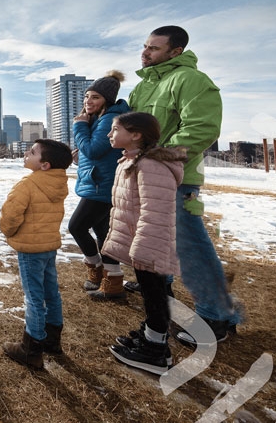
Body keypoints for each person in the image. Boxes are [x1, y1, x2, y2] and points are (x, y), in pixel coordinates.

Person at [125, 25, 242, 345]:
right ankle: (163, 297)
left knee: (189, 246)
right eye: (145, 46)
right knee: (160, 244)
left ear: (175, 52)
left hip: (176, 179)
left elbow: (202, 127)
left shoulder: (191, 80)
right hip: (145, 177)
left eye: (154, 49)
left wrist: (159, 156)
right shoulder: (142, 88)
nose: (145, 52)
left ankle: (217, 316)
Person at [100, 112, 187, 374]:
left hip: (149, 242)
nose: (109, 134)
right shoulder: (133, 161)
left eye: (115, 129)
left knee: (155, 293)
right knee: (152, 292)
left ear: (136, 134)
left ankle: (156, 350)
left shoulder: (150, 166)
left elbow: (155, 212)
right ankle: (151, 333)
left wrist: (144, 247)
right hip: (143, 240)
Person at [0, 139, 72, 369]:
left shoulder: (27, 185)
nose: (25, 153)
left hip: (31, 249)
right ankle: (53, 340)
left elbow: (11, 216)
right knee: (51, 293)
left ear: (45, 165)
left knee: (33, 297)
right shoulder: (58, 184)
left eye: (32, 152)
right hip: (49, 246)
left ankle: (31, 348)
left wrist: (8, 231)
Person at [68, 70, 130, 299]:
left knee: (76, 227)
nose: (88, 101)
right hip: (100, 181)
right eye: (86, 97)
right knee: (103, 232)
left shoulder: (108, 119)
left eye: (95, 97)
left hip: (102, 186)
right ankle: (112, 281)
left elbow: (94, 150)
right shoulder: (103, 118)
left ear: (107, 99)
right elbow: (97, 152)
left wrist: (80, 127)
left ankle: (95, 268)